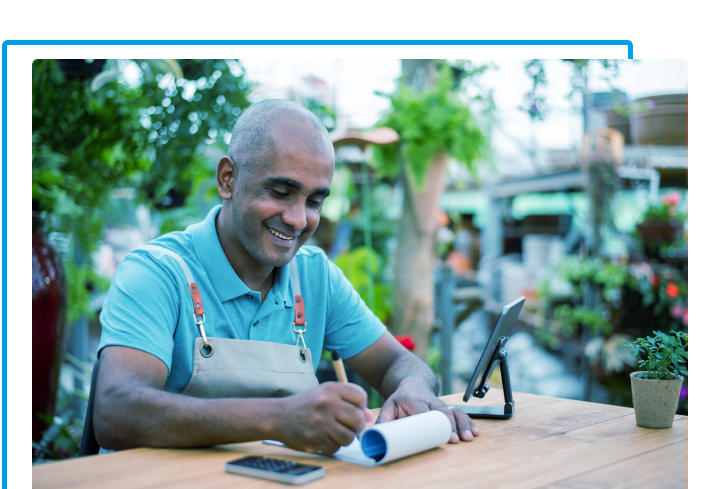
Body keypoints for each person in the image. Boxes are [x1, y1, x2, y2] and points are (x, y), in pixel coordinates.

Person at [93, 100, 479, 455]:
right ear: (227, 179)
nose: (298, 220)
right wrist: (278, 418)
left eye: (314, 201)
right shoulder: (158, 273)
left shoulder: (315, 278)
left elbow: (401, 362)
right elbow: (116, 411)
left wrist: (412, 390)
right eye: (280, 192)